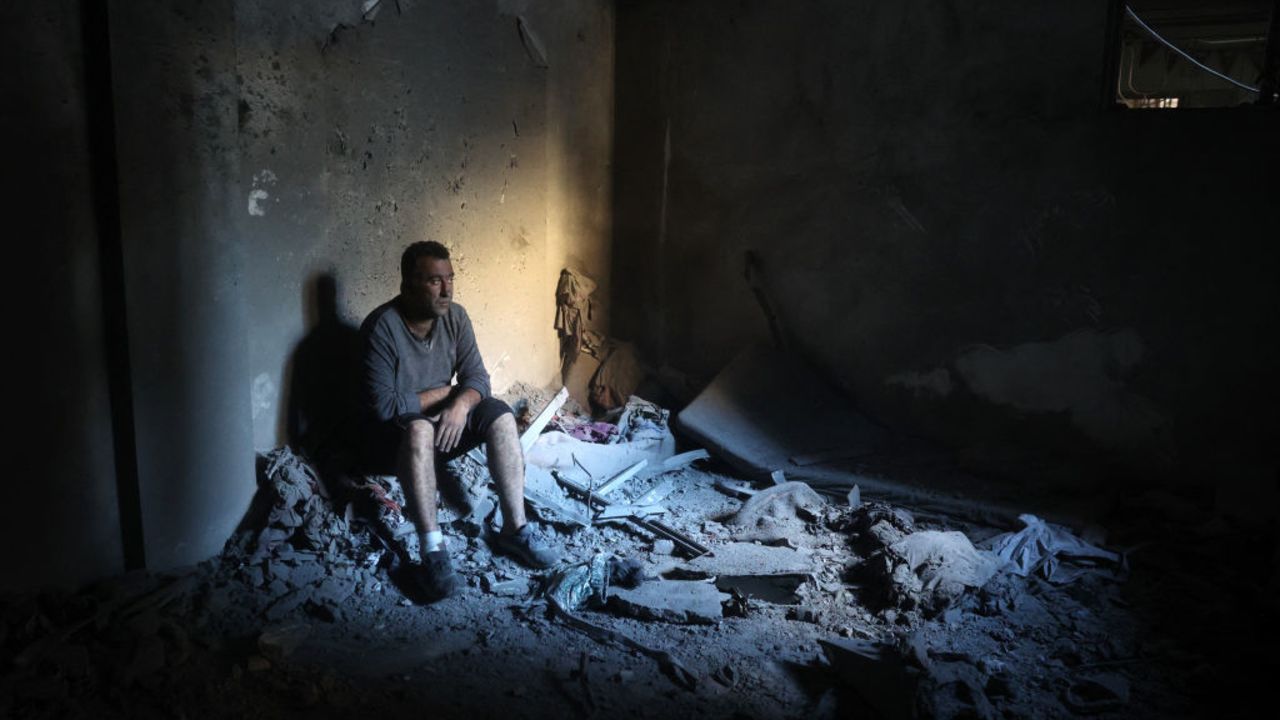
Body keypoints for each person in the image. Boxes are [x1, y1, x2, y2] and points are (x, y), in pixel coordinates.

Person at [360, 240, 558, 600]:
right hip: (392, 443)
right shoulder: (382, 328)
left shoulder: (456, 317)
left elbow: (478, 380)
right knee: (419, 426)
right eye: (435, 281)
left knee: (498, 414)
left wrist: (462, 403)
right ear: (408, 285)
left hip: (442, 432)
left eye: (450, 278)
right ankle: (433, 551)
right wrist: (446, 393)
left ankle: (515, 529)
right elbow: (384, 408)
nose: (447, 289)